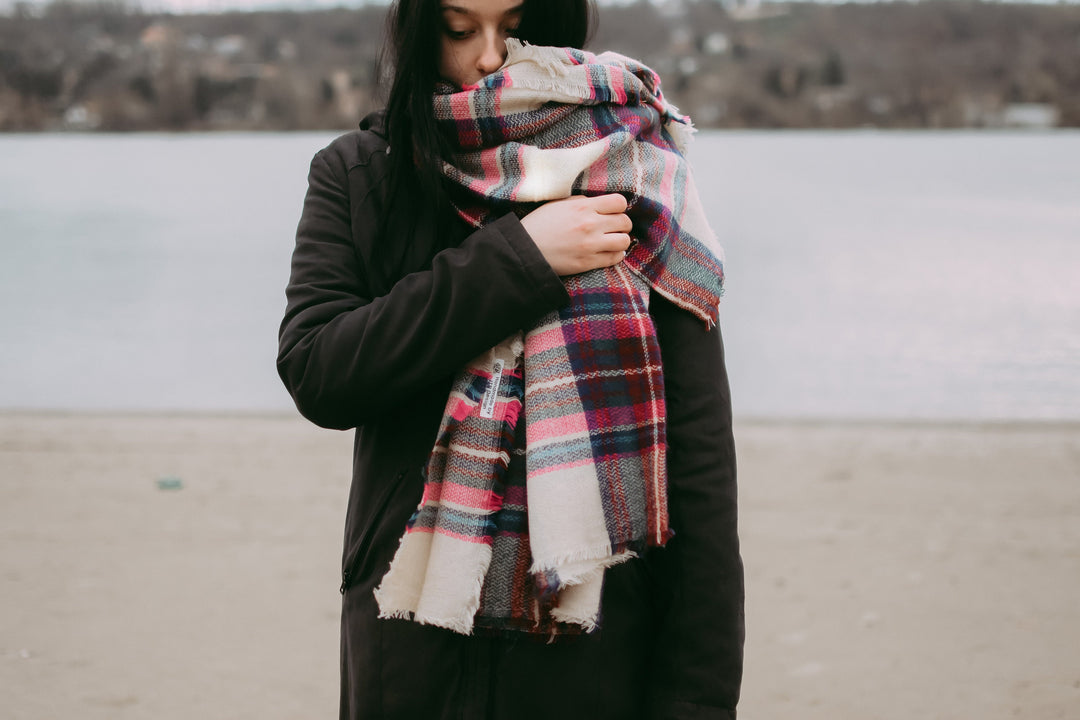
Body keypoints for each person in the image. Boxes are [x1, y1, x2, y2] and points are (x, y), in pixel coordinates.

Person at [277, 1, 743, 718]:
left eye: (514, 24)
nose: (489, 56)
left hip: (595, 646)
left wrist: (698, 702)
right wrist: (520, 259)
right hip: (411, 644)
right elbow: (320, 372)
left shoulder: (635, 177)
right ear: (418, 29)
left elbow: (701, 468)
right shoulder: (361, 174)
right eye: (459, 30)